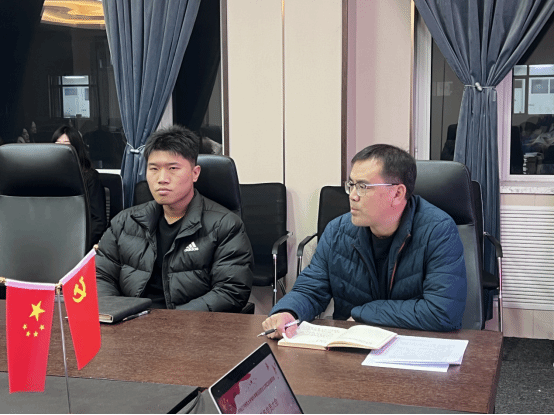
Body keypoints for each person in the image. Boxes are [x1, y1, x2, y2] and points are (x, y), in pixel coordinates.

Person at [263, 144, 467, 338]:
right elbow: (311, 289)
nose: (352, 196)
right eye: (351, 185)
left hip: (412, 346)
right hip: (352, 345)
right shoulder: (337, 231)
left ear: (397, 193)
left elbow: (442, 312)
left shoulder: (438, 231)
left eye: (363, 186)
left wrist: (365, 313)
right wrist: (288, 312)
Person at [95, 125, 254, 311]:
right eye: (154, 168)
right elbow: (100, 276)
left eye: (173, 168)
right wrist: (119, 312)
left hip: (192, 324)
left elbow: (230, 291)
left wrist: (171, 322)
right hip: (131, 320)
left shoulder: (226, 225)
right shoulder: (124, 222)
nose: (162, 178)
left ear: (195, 173)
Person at [52, 125, 107, 248]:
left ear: (76, 148)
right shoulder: (48, 176)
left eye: (67, 145)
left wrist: (78, 244)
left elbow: (98, 222)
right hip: (52, 239)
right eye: (57, 145)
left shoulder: (90, 177)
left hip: (79, 242)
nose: (61, 149)